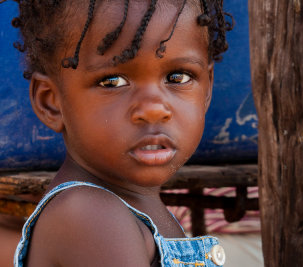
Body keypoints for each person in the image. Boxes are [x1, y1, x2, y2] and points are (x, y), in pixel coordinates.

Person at [0, 0, 233, 266]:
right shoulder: (91, 217)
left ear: (207, 90)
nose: (154, 109)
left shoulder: (125, 209)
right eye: (112, 82)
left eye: (178, 77)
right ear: (51, 102)